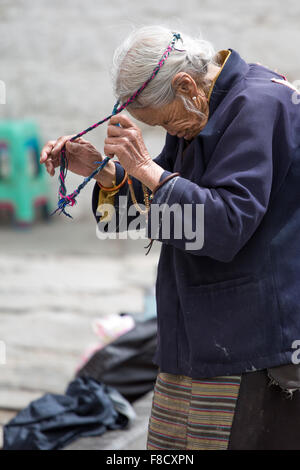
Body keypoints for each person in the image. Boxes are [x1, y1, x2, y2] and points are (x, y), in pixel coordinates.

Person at [40, 25, 300, 450]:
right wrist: (101, 171)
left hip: (250, 340)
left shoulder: (259, 104)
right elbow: (163, 211)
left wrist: (148, 169)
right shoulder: (198, 111)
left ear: (184, 85)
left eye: (164, 123)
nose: (171, 134)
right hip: (192, 331)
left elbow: (226, 225)